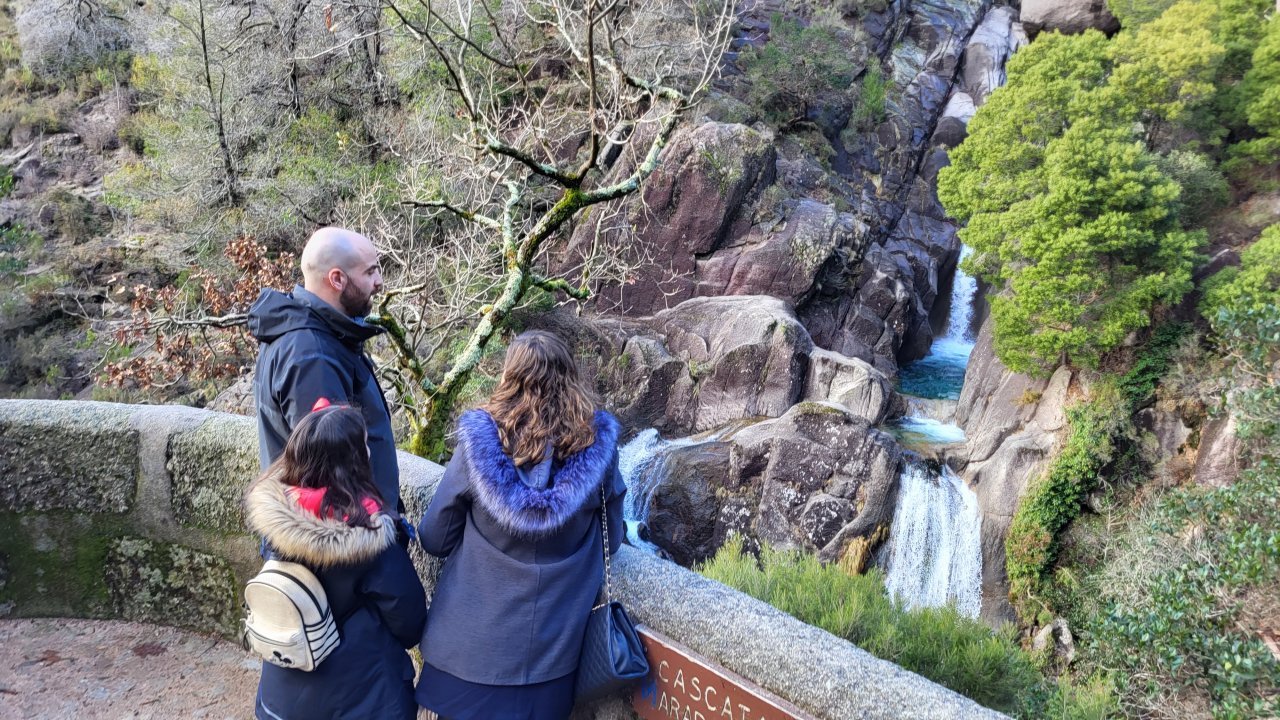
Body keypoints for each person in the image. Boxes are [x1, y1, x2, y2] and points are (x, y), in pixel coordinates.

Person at [415, 330, 627, 720]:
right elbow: (611, 541)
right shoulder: (598, 452)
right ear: (571, 378)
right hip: (550, 667)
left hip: (464, 659)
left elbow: (434, 538)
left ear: (508, 378)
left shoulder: (479, 446)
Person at [244, 404, 427, 720]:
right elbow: (410, 624)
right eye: (364, 445)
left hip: (281, 700)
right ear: (352, 463)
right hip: (364, 701)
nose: (369, 451)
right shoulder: (369, 541)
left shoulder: (276, 522)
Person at [248, 226, 402, 506]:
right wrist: (378, 522)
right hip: (350, 527)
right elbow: (332, 476)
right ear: (337, 279)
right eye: (370, 272)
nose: (379, 282)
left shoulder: (321, 336)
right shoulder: (312, 357)